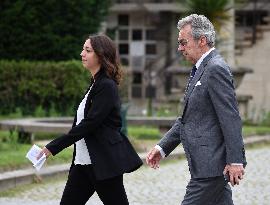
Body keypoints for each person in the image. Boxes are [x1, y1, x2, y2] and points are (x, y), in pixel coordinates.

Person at [146, 14, 247, 205]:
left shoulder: (215, 68)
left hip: (210, 168)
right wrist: (162, 147)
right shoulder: (201, 68)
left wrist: (235, 160)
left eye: (184, 42)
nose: (179, 48)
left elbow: (230, 117)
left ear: (202, 41)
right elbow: (187, 118)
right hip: (207, 167)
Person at [37, 34, 143, 205]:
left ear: (101, 55)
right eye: (83, 49)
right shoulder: (94, 84)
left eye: (87, 50)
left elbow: (89, 124)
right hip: (82, 164)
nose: (82, 54)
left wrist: (53, 147)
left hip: (103, 163)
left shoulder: (106, 86)